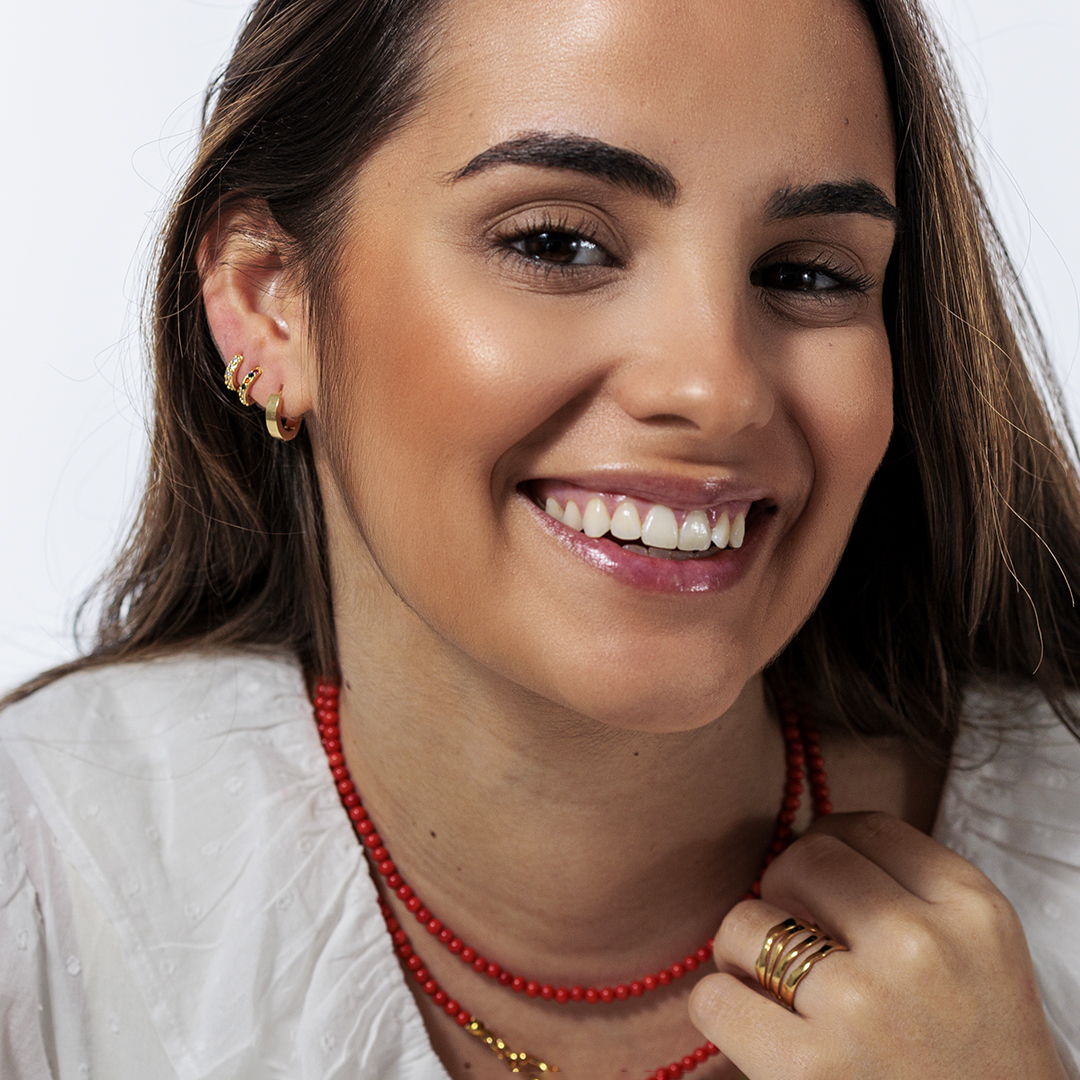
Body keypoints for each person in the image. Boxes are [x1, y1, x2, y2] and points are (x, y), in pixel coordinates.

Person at [2, 0, 1078, 1077]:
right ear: (268, 303)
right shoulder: (38, 898)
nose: (716, 389)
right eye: (557, 244)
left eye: (807, 273)